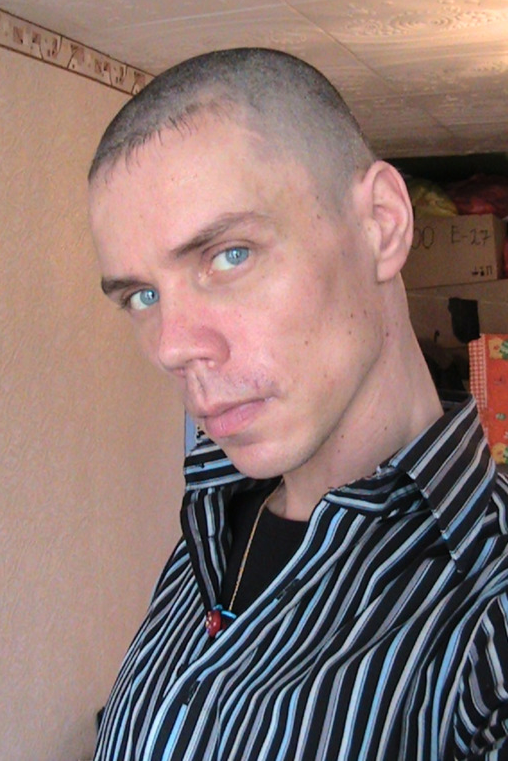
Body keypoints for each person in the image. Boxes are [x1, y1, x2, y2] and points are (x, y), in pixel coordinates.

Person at [87, 48, 508, 760]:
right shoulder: (210, 527)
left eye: (229, 255)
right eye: (142, 295)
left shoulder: (488, 625)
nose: (172, 346)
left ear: (380, 224)